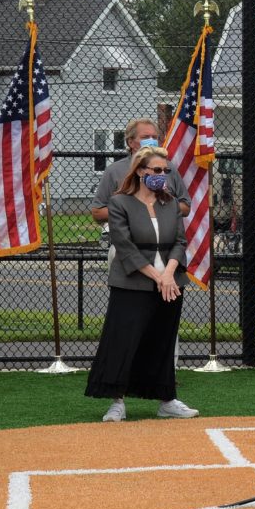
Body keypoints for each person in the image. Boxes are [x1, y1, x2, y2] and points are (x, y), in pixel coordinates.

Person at [87, 146, 200, 422]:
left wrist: (170, 272)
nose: (162, 176)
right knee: (124, 340)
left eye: (166, 171)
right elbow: (125, 246)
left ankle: (167, 400)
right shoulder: (119, 203)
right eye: (156, 170)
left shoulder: (171, 203)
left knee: (162, 340)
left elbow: (179, 242)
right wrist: (157, 276)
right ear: (140, 171)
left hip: (171, 281)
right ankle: (117, 402)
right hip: (133, 282)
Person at [91, 118, 161, 225]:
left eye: (154, 137)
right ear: (131, 142)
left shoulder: (168, 169)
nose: (151, 141)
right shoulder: (114, 171)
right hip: (126, 236)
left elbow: (186, 206)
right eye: (145, 137)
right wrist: (132, 212)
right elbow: (97, 212)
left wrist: (163, 209)